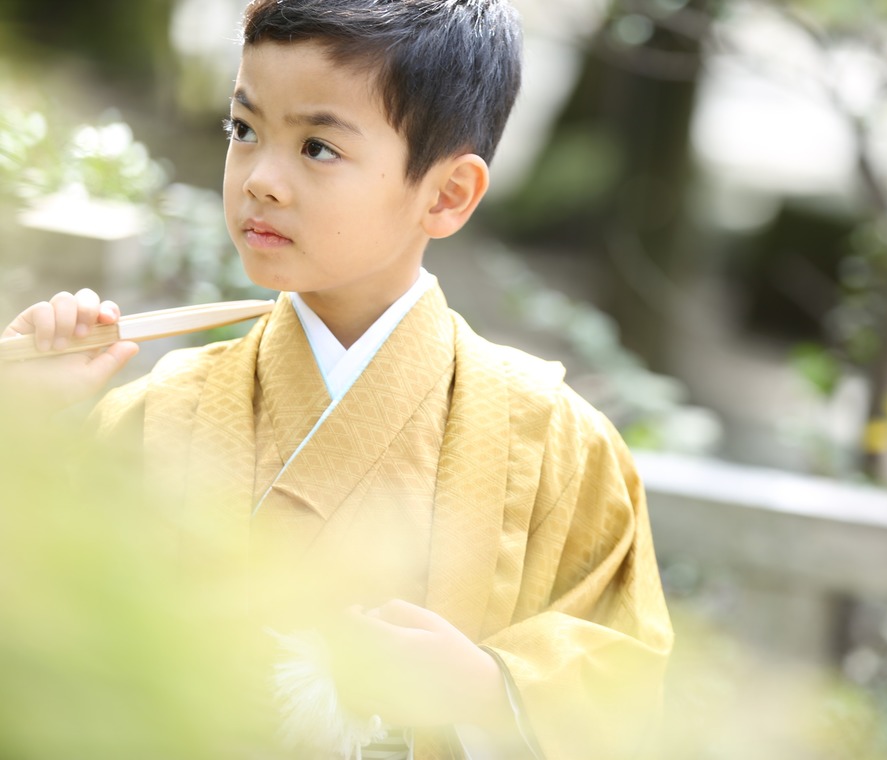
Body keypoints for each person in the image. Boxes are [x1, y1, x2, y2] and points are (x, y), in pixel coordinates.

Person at [1, 1, 673, 758]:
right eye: (243, 129)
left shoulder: (553, 442)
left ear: (447, 193)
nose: (260, 179)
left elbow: (625, 686)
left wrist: (490, 689)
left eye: (317, 147)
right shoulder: (154, 413)